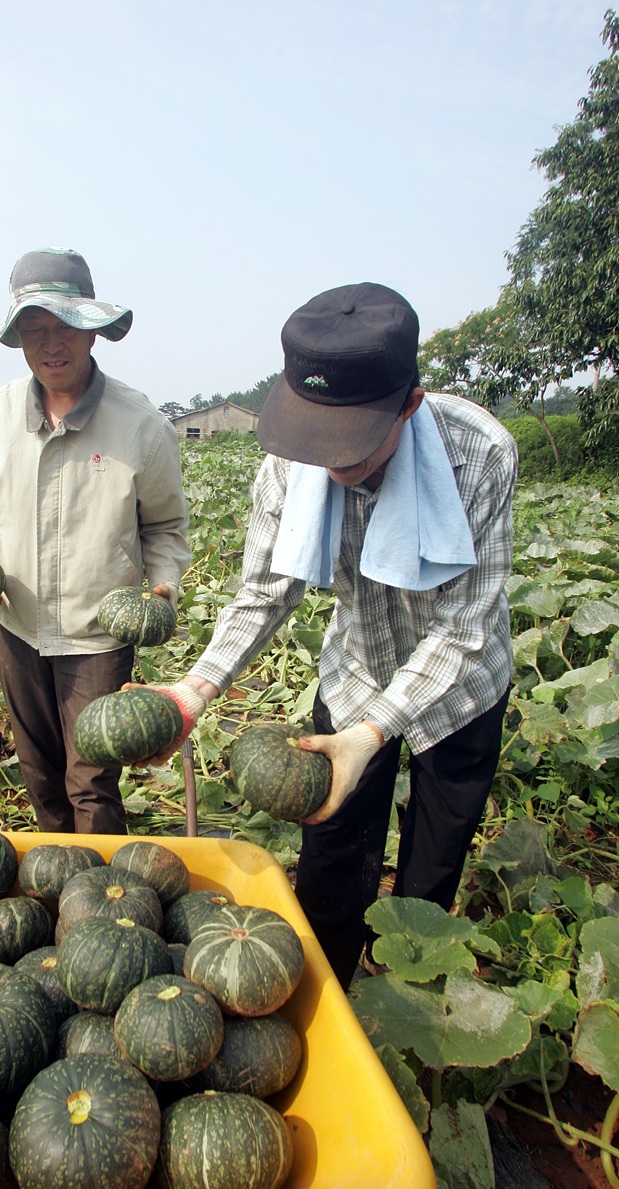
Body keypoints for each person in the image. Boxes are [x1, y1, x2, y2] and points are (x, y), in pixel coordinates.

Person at [148, 282, 518, 989]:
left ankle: (406, 989)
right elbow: (264, 591)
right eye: (316, 438)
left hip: (462, 680)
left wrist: (376, 731)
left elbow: (464, 623)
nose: (328, 462)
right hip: (358, 668)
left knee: (433, 856)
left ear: (408, 404)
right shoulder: (289, 462)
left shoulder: (481, 454)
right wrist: (195, 690)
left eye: (349, 443)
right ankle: (325, 992)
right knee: (333, 850)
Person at [0, 247, 191, 834]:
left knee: (90, 782)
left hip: (98, 636)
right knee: (39, 773)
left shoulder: (140, 423)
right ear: (19, 340)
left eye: (65, 326)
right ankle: (59, 880)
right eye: (35, 328)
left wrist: (162, 591)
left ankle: (102, 902)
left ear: (92, 333)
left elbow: (164, 525)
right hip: (17, 626)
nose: (51, 342)